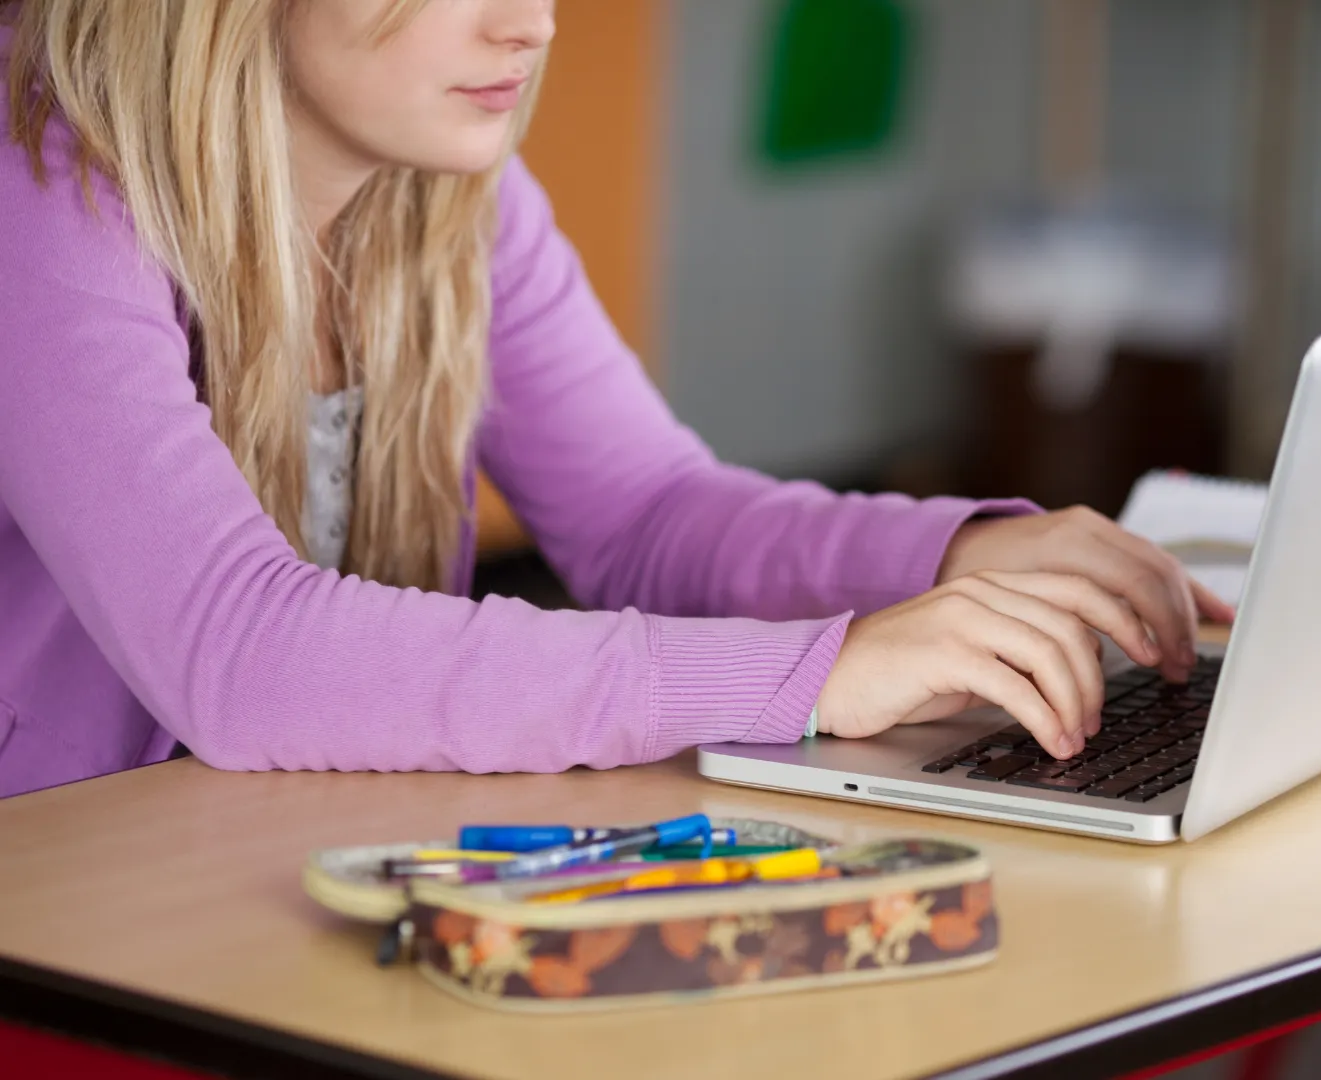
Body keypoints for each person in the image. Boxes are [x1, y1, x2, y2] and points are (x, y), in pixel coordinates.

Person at [0, 0, 1232, 800]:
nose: (531, 25)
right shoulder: (39, 184)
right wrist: (808, 675)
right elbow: (242, 653)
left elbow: (646, 514)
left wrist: (958, 554)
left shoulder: (448, 201)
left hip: (263, 868)